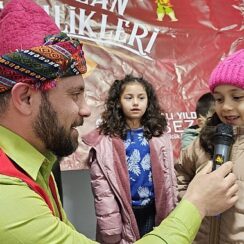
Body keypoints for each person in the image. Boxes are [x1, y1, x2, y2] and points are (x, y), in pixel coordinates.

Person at [0, 0, 238, 243]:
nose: (85, 110)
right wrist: (196, 204)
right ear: (25, 98)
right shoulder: (6, 196)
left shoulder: (40, 166)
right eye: (74, 94)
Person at [82, 75, 178, 243]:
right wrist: (110, 228)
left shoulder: (159, 135)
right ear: (118, 102)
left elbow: (170, 178)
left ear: (149, 101)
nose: (135, 102)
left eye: (141, 97)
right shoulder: (106, 141)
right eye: (129, 97)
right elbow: (102, 190)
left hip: (152, 210)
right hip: (124, 212)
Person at [175, 49, 244, 243]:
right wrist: (190, 203)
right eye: (219, 99)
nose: (226, 107)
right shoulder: (204, 140)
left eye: (237, 97)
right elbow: (181, 171)